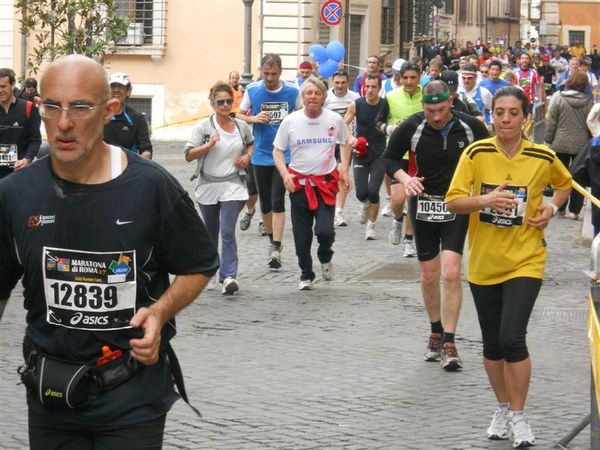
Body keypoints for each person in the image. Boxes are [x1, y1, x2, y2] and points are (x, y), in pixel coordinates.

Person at [0, 54, 219, 450]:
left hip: (131, 397)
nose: (64, 123)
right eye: (52, 107)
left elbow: (199, 265)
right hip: (51, 399)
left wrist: (159, 312)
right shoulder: (15, 195)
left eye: (81, 107)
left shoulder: (151, 188)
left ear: (109, 111)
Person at [446, 85, 571, 448]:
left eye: (513, 113)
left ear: (526, 117)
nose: (505, 119)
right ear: (492, 115)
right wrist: (485, 199)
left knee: (512, 337)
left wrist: (550, 209)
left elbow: (563, 186)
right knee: (492, 344)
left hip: (526, 259)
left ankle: (518, 414)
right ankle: (502, 407)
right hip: (485, 262)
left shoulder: (543, 156)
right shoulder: (476, 152)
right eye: (499, 112)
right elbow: (453, 202)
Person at [384, 80, 489, 371]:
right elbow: (389, 158)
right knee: (430, 274)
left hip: (457, 203)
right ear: (423, 107)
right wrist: (405, 179)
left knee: (452, 272)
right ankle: (435, 330)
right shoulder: (413, 126)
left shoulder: (470, 127)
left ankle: (450, 342)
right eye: (430, 111)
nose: (437, 117)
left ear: (452, 101)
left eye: (442, 110)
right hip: (424, 203)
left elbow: (489, 155)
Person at [272, 76, 351, 290]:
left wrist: (344, 166)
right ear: (303, 97)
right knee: (302, 236)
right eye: (309, 93)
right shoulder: (291, 121)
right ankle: (306, 273)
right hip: (299, 186)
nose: (313, 97)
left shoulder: (334, 119)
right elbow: (277, 151)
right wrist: (285, 174)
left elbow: (346, 142)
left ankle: (325, 255)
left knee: (326, 231)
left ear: (324, 98)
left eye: (317, 93)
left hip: (325, 184)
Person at [185, 81, 254, 294]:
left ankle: (229, 277)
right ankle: (210, 271)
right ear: (213, 104)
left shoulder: (241, 126)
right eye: (220, 102)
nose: (225, 105)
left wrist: (247, 157)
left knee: (226, 231)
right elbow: (188, 155)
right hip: (208, 184)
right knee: (210, 233)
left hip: (233, 184)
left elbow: (251, 142)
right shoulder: (204, 127)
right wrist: (208, 145)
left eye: (228, 101)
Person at [237, 53, 302, 269]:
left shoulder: (292, 91)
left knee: (277, 200)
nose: (269, 78)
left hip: (284, 155)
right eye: (266, 73)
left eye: (273, 74)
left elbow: (301, 116)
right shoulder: (254, 90)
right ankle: (272, 238)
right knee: (264, 203)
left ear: (280, 72)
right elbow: (239, 114)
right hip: (261, 154)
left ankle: (276, 245)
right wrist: (253, 118)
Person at [375, 62, 422, 255]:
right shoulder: (391, 97)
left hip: (419, 155)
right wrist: (388, 129)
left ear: (419, 77)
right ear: (400, 78)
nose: (409, 81)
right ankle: (397, 219)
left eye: (413, 77)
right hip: (397, 155)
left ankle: (409, 240)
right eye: (406, 78)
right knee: (398, 199)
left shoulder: (426, 97)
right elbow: (378, 121)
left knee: (412, 198)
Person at [544, 71, 592, 220]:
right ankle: (574, 210)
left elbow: (552, 121)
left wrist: (548, 140)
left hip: (560, 143)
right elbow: (591, 124)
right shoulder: (589, 102)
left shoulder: (558, 98)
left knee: (560, 177)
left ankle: (560, 207)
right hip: (581, 145)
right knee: (579, 178)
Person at [345, 74, 387, 240]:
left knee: (374, 191)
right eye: (367, 87)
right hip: (361, 152)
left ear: (379, 88)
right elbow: (343, 123)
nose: (369, 90)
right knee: (361, 192)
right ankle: (364, 203)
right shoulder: (357, 104)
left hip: (380, 153)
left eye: (373, 87)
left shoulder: (385, 105)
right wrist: (350, 138)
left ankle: (371, 226)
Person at [324, 70, 359, 227]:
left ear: (348, 82)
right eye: (337, 82)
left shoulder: (355, 98)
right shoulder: (325, 97)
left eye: (343, 83)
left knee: (342, 175)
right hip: (327, 142)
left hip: (346, 142)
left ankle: (338, 212)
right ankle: (328, 206)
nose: (339, 86)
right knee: (328, 177)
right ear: (332, 81)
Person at [0, 67, 41, 179]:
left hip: (19, 174)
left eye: (3, 86)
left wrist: (27, 159)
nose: (0, 90)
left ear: (13, 85)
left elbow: (35, 140)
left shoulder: (28, 108)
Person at [103, 72, 153, 159]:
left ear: (128, 91)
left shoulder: (137, 119)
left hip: (127, 168)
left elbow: (146, 150)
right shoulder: (98, 116)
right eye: (113, 86)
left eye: (120, 86)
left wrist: (138, 168)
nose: (116, 90)